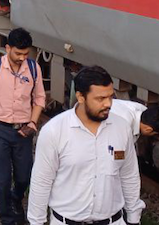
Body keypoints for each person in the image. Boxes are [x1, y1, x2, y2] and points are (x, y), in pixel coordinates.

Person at [27, 65, 145, 225]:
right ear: (81, 97)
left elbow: (129, 175)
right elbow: (41, 181)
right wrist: (36, 222)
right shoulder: (54, 131)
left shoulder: (122, 127)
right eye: (100, 99)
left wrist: (133, 218)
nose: (108, 104)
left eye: (110, 97)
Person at [0, 28, 45, 225]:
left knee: (24, 177)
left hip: (24, 132)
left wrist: (33, 122)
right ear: (7, 49)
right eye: (18, 53)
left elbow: (39, 98)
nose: (22, 58)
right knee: (2, 180)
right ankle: (7, 218)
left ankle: (17, 197)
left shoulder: (33, 68)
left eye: (25, 54)